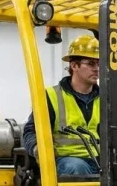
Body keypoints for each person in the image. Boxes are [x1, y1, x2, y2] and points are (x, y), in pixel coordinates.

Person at [22, 35, 101, 176]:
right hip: (66, 159)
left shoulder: (106, 98)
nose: (96, 68)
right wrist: (37, 149)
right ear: (74, 66)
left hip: (99, 160)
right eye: (90, 63)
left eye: (98, 63)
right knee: (77, 168)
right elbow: (31, 131)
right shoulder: (52, 96)